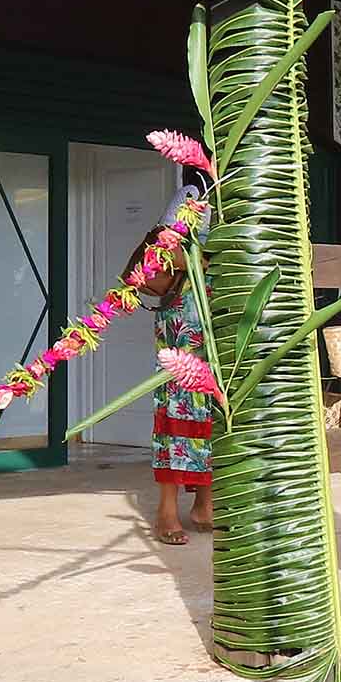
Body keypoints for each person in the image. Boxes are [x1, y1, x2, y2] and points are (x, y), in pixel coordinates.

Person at [142, 227, 216, 546]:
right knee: (175, 424)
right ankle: (166, 511)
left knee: (212, 422)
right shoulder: (180, 211)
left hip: (214, 342)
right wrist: (192, 258)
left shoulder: (233, 212)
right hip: (179, 342)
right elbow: (155, 263)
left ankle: (204, 505)